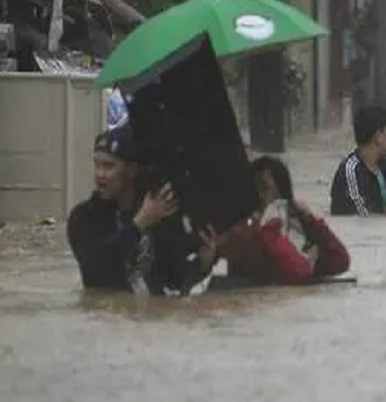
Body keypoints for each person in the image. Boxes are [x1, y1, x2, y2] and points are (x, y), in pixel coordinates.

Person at [66, 125, 221, 295]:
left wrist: (202, 264)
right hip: (109, 316)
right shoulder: (83, 217)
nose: (100, 174)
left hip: (152, 316)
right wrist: (138, 224)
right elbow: (95, 270)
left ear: (131, 170)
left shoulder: (161, 213)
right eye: (97, 165)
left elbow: (174, 282)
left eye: (109, 166)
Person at [223, 156, 350, 284]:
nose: (260, 196)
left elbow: (340, 263)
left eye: (265, 189)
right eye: (258, 190)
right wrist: (268, 229)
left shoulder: (297, 226)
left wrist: (313, 223)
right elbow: (298, 272)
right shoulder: (244, 233)